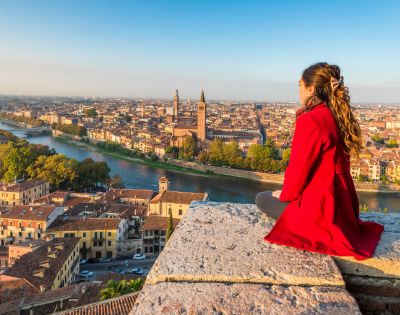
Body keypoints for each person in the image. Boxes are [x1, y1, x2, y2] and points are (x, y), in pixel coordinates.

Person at [255, 62, 384, 260]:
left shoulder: (311, 120)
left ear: (311, 89)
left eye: (299, 85)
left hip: (321, 211)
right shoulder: (339, 115)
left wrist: (285, 195)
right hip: (344, 209)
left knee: (262, 198)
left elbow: (298, 171)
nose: (298, 90)